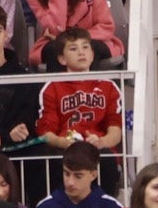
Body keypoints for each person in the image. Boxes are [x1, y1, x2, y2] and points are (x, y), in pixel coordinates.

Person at [33, 31, 123, 187]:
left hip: (98, 150)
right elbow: (46, 133)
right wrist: (63, 142)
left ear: (93, 55)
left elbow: (116, 131)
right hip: (65, 150)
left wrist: (101, 142)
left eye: (85, 47)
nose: (81, 52)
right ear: (62, 59)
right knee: (52, 162)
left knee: (107, 159)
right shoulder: (51, 87)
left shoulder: (108, 86)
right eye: (73, 48)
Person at [34, 142, 122, 208]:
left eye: (78, 176)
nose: (70, 182)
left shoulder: (111, 207)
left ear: (93, 175)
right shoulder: (45, 207)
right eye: (67, 174)